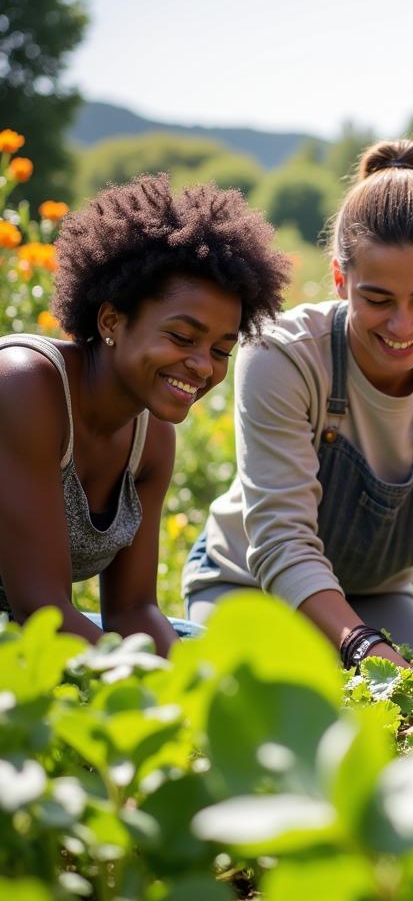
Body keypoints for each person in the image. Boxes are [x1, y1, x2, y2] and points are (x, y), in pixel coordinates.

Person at [183, 139, 413, 668]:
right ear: (341, 278)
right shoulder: (281, 356)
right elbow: (281, 542)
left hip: (375, 594)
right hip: (247, 582)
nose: (402, 326)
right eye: (377, 299)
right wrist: (366, 649)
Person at [0, 174, 289, 654]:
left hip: (22, 632)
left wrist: (198, 685)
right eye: (182, 337)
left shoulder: (150, 438)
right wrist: (173, 692)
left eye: (221, 349)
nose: (202, 366)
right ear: (111, 320)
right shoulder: (24, 386)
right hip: (28, 628)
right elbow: (43, 613)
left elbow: (133, 610)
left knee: (212, 651)